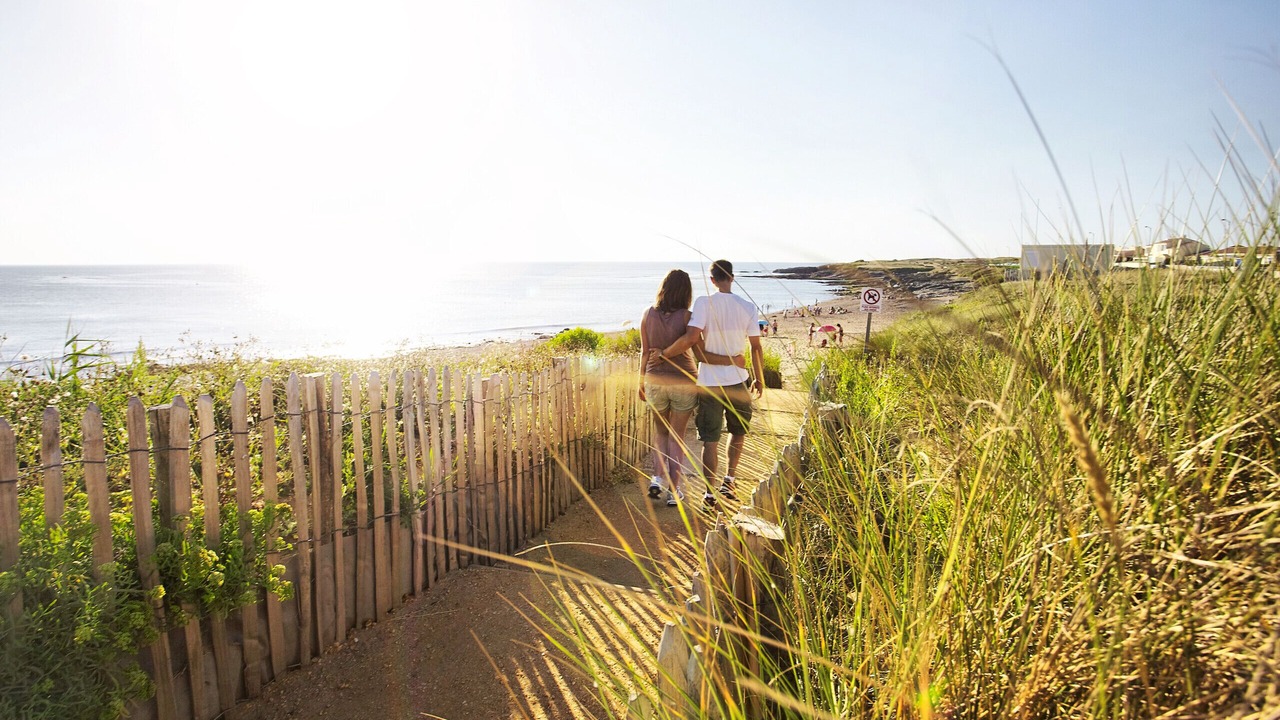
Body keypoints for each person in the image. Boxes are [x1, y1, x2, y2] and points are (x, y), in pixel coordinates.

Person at [650, 260, 764, 507]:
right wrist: (759, 378)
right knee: (738, 433)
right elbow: (756, 347)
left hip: (709, 383)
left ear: (712, 280)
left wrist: (664, 354)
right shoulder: (747, 306)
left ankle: (710, 493)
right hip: (738, 382)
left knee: (709, 439)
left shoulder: (703, 303)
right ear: (732, 278)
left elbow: (692, 339)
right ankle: (730, 478)